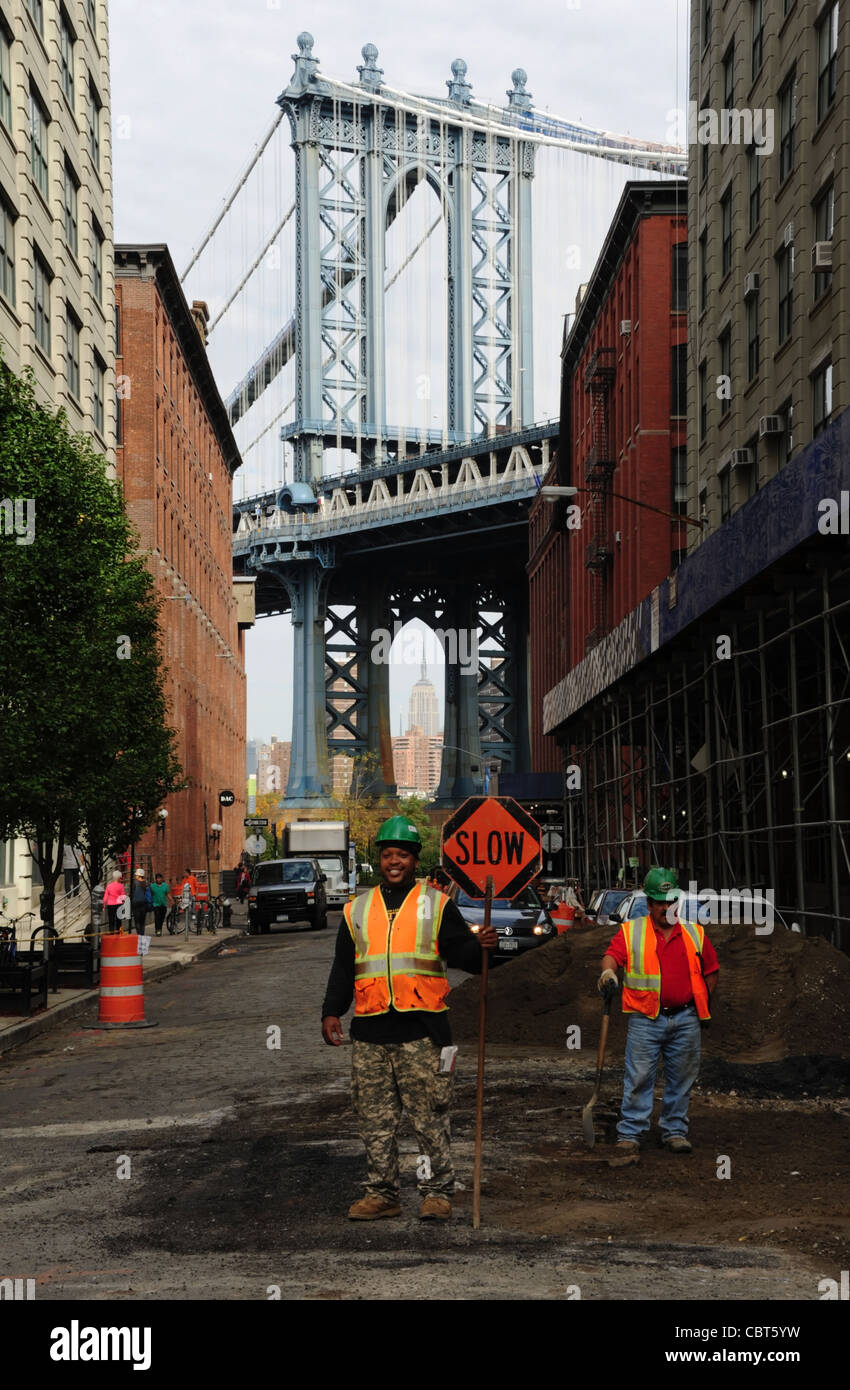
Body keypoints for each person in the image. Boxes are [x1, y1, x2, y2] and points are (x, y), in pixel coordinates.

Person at [321, 815, 497, 1223]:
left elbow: (465, 958)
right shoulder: (357, 910)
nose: (394, 861)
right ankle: (382, 1194)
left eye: (402, 854)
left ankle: (436, 1193)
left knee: (429, 1116)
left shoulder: (436, 905)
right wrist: (332, 1011)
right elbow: (344, 968)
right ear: (379, 860)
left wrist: (482, 945)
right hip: (370, 1032)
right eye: (387, 855)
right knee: (374, 1120)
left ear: (415, 860)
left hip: (423, 1032)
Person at [598, 866, 719, 1156]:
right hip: (645, 1018)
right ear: (649, 904)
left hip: (686, 1018)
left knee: (682, 1078)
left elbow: (711, 971)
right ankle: (630, 1132)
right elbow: (611, 957)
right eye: (660, 903)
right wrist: (607, 973)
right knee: (639, 1077)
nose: (666, 908)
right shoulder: (631, 931)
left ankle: (675, 1131)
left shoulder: (694, 933)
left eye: (670, 902)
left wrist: (701, 1000)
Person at [131, 868, 152, 935]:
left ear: (138, 875)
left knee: (137, 921)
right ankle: (142, 934)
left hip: (135, 904)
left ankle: (139, 934)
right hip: (144, 904)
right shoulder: (147, 883)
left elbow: (132, 894)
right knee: (142, 921)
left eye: (136, 875)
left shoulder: (135, 883)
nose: (135, 876)